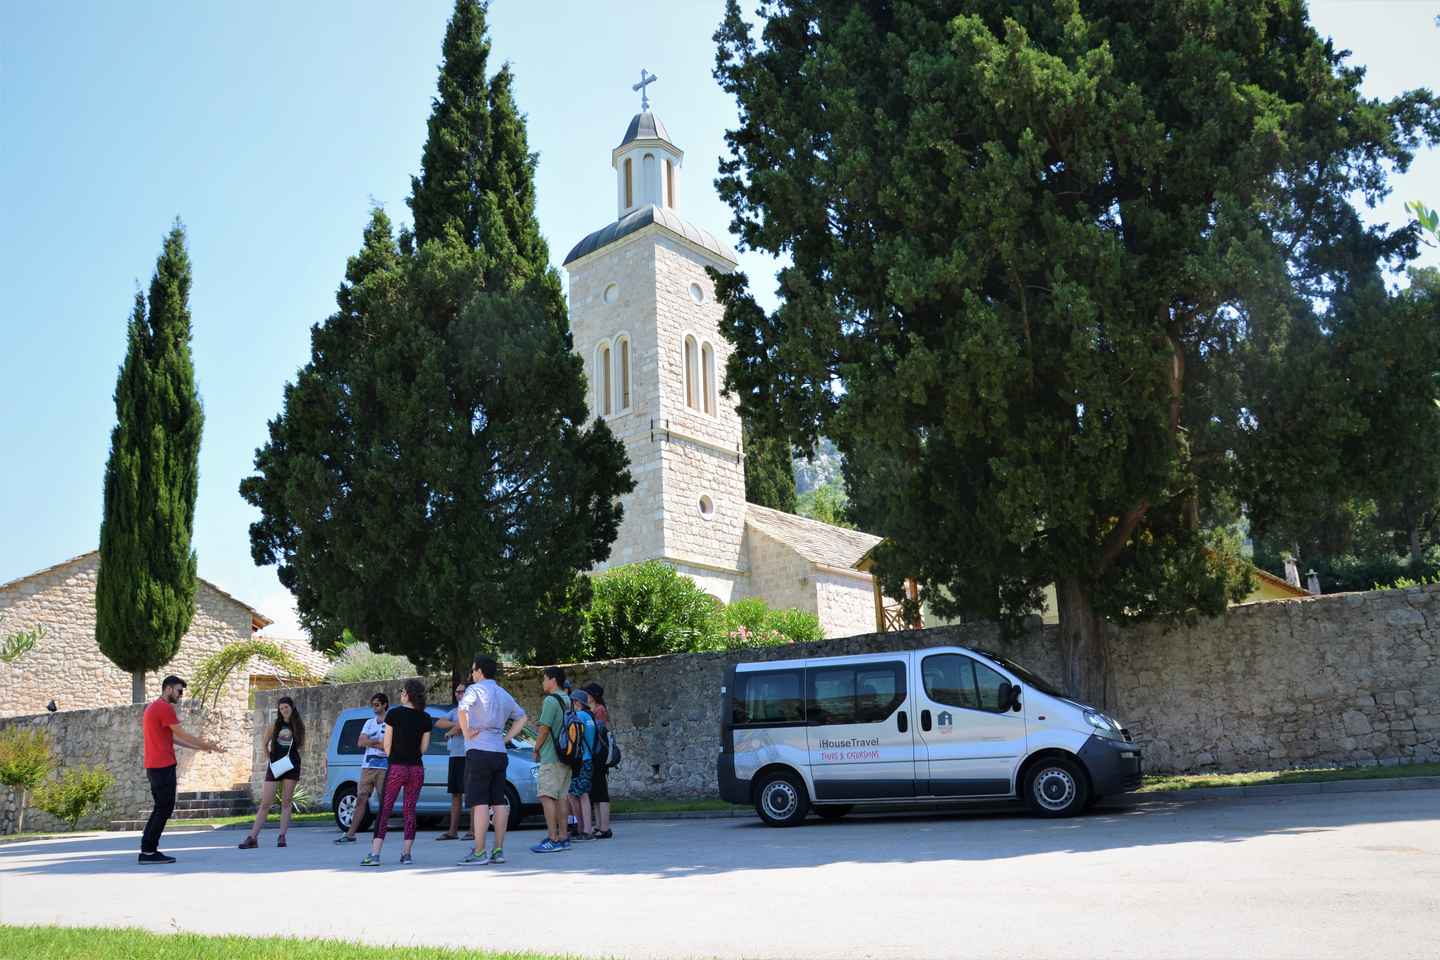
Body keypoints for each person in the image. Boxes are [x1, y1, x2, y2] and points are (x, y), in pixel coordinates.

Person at [139, 675, 224, 865]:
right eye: (179, 691)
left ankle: (148, 849)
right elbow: (182, 734)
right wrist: (207, 743)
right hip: (162, 766)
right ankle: (148, 851)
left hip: (155, 766)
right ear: (168, 689)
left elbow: (173, 739)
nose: (181, 695)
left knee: (161, 808)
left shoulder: (153, 707)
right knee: (164, 808)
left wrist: (201, 748)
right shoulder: (164, 708)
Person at [455, 654, 527, 865]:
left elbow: (462, 708)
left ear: (479, 671)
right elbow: (522, 717)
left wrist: (467, 732)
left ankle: (479, 851)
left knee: (479, 802)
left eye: (473, 669)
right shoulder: (502, 693)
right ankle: (498, 850)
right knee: (499, 802)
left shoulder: (474, 690)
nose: (471, 673)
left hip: (479, 750)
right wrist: (506, 738)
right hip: (499, 751)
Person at [363, 679, 432, 866]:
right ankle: (406, 854)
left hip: (396, 767)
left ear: (408, 694)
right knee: (410, 810)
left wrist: (395, 756)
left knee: (385, 809)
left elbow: (387, 745)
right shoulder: (425, 718)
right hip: (416, 769)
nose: (400, 694)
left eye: (402, 691)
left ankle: (375, 855)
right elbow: (424, 748)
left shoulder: (393, 714)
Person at [239, 696, 305, 849]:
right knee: (265, 803)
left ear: (292, 708)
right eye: (281, 709)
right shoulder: (275, 725)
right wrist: (269, 758)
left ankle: (282, 836)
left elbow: (301, 745)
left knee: (286, 801)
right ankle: (252, 837)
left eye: (286, 708)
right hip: (275, 765)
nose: (284, 711)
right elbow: (264, 743)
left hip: (292, 764)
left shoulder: (298, 725)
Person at [335, 692, 389, 844]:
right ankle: (350, 833)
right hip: (367, 766)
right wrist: (376, 742)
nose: (374, 708)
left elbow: (387, 746)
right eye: (373, 705)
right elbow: (360, 742)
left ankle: (379, 835)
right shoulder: (369, 723)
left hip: (384, 767)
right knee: (361, 799)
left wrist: (370, 741)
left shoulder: (390, 724)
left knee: (384, 801)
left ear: (385, 705)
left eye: (377, 705)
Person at [530, 666, 573, 854]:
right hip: (566, 756)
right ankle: (564, 837)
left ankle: (553, 838)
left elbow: (544, 728)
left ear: (553, 680)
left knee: (546, 796)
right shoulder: (567, 699)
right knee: (561, 797)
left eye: (544, 679)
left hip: (551, 756)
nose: (543, 682)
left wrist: (536, 748)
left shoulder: (550, 700)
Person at [432, 681, 470, 842]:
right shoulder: (455, 711)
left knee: (471, 794)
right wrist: (455, 725)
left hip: (468, 755)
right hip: (455, 756)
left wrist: (451, 732)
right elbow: (439, 722)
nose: (458, 694)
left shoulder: (472, 709)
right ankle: (452, 831)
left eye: (461, 692)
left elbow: (465, 725)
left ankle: (473, 831)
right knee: (456, 794)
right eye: (456, 692)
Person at [583, 682, 614, 840]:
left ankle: (605, 827)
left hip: (599, 754)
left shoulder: (600, 710)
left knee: (601, 791)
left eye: (587, 693)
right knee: (594, 791)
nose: (585, 696)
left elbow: (599, 731)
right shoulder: (592, 710)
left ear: (593, 695)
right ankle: (598, 825)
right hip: (595, 754)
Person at [567, 688, 598, 841]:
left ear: (577, 702)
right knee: (580, 794)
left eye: (572, 701)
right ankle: (585, 828)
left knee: (578, 795)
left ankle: (585, 829)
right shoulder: (590, 717)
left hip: (579, 760)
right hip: (589, 758)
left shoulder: (578, 716)